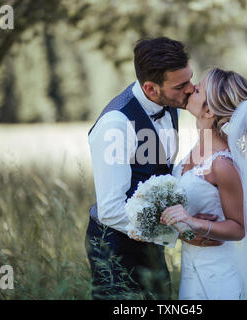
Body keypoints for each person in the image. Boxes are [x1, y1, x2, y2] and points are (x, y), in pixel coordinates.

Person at [85, 37, 219, 299]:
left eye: (190, 79)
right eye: (181, 85)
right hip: (115, 248)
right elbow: (111, 211)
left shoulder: (169, 105)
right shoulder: (116, 125)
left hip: (150, 243)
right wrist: (180, 231)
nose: (191, 89)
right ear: (150, 88)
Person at [161, 68, 247, 299]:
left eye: (197, 90)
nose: (190, 89)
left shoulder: (222, 164)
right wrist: (179, 229)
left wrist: (194, 223)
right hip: (190, 272)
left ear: (208, 110)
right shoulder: (195, 151)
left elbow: (238, 228)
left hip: (217, 279)